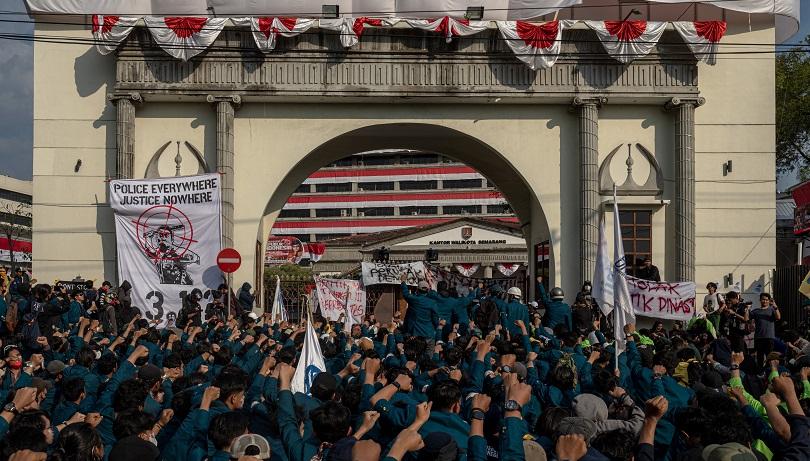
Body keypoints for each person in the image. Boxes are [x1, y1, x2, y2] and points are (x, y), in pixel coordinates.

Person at [749, 292, 780, 368]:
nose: (765, 301)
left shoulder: (772, 309)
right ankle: (760, 372)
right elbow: (747, 319)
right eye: (763, 299)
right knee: (759, 357)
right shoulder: (755, 311)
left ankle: (770, 371)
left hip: (769, 337)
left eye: (766, 300)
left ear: (769, 301)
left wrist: (775, 307)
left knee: (770, 357)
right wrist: (747, 309)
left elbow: (778, 317)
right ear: (760, 300)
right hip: (758, 338)